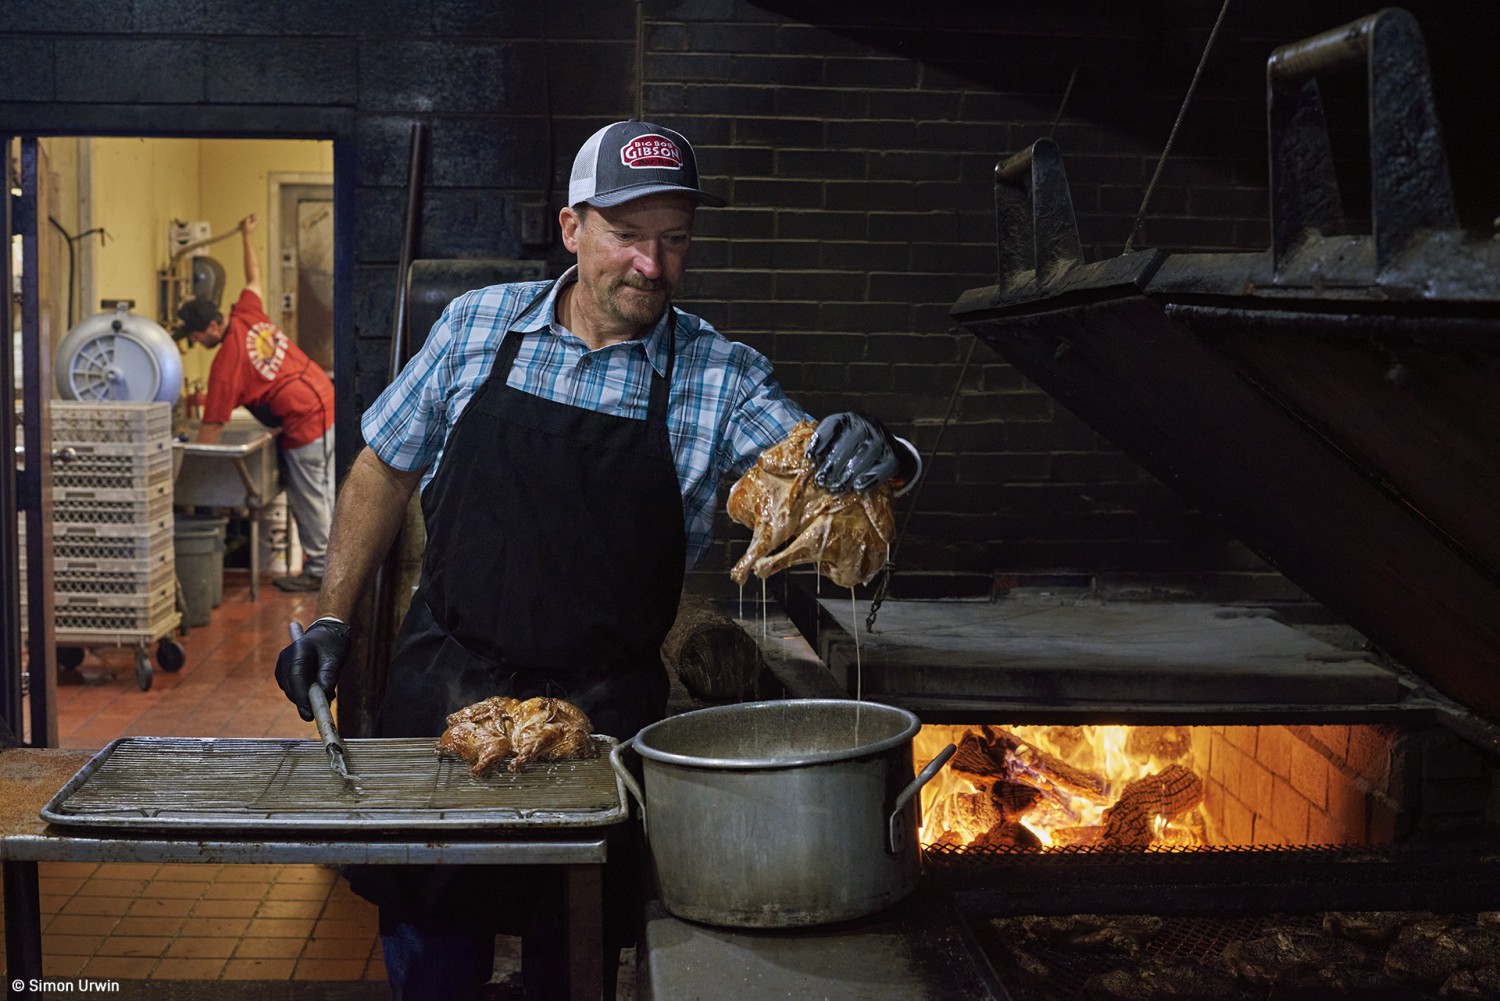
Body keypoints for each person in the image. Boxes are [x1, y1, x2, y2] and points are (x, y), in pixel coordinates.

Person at [273, 120, 922, 1000]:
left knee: (569, 961)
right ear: (572, 226)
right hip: (441, 700)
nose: (652, 265)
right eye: (627, 235)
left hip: (598, 724)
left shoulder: (719, 378)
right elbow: (383, 466)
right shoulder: (478, 327)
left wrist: (884, 450)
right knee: (434, 954)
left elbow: (827, 497)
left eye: (675, 239)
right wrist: (332, 615)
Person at [175, 214, 336, 593]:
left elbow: (211, 430)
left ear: (212, 327)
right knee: (325, 489)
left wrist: (185, 473)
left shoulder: (226, 365)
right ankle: (331, 566)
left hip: (304, 418)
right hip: (323, 396)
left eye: (196, 335)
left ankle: (319, 571)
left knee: (309, 494)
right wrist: (248, 235)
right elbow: (254, 276)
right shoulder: (245, 312)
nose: (196, 342)